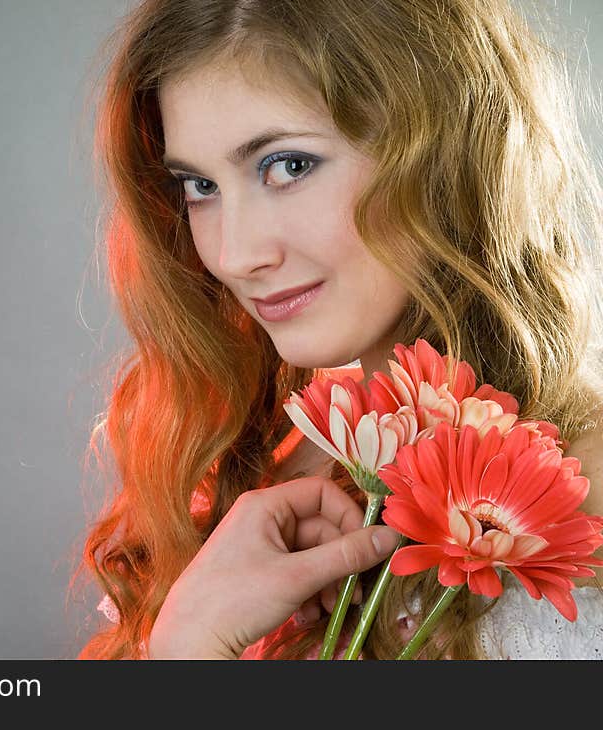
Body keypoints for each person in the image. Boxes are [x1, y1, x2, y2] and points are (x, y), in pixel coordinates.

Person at [72, 0, 603, 659]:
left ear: (447, 154)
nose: (234, 254)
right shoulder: (255, 468)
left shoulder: (586, 497)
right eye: (199, 184)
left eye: (289, 166)